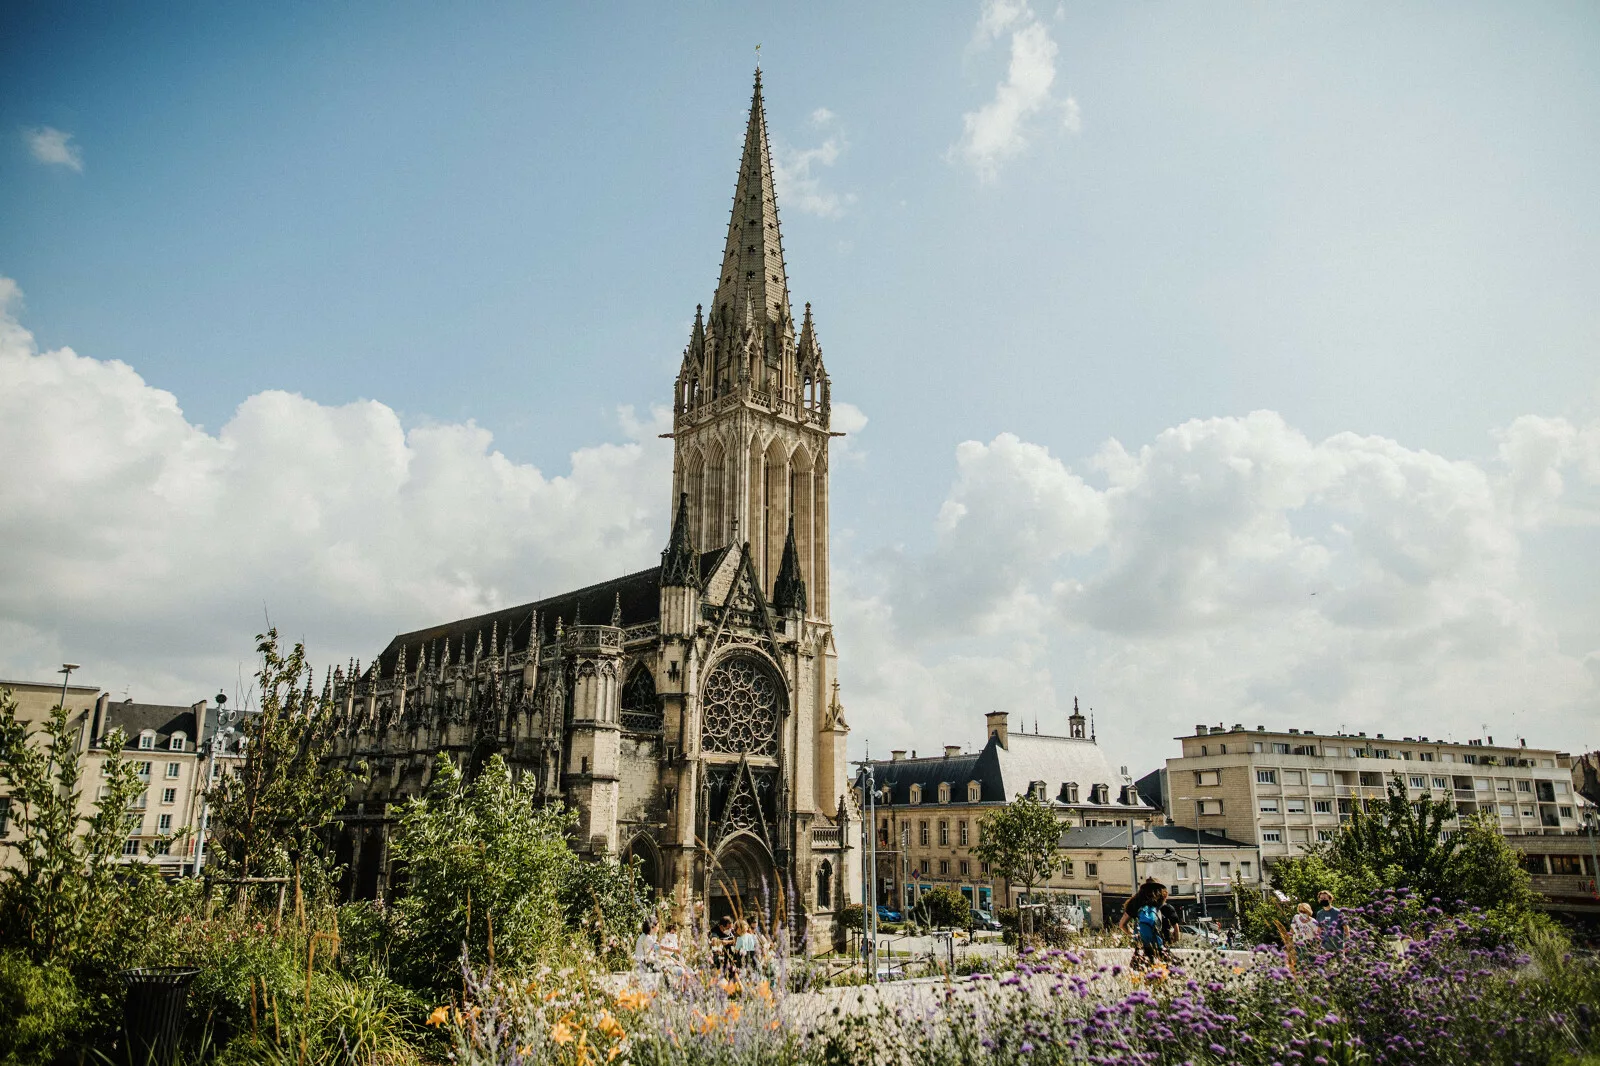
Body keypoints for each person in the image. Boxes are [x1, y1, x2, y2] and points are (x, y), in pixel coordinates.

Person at [1117, 879, 1168, 969]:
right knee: (1165, 974)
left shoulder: (1135, 903)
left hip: (1141, 949)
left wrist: (1133, 934)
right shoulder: (1161, 904)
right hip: (1159, 948)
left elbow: (1122, 924)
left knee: (1139, 976)